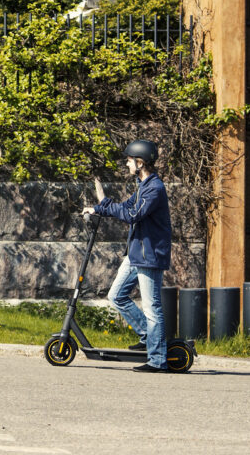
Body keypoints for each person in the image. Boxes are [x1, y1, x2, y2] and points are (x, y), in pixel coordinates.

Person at [82, 139, 172, 373]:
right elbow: (125, 206)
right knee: (117, 295)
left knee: (152, 307)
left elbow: (133, 214)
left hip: (149, 256)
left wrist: (105, 203)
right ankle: (146, 336)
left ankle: (158, 360)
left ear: (140, 162)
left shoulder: (154, 188)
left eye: (129, 160)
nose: (126, 164)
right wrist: (98, 207)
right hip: (136, 254)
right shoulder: (143, 186)